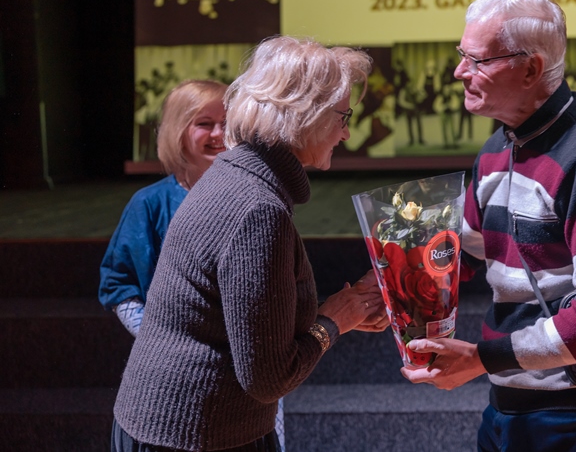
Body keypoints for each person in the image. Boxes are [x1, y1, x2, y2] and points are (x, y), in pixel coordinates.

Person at [401, 0, 576, 452]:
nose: (459, 71)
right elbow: (469, 251)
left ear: (531, 69)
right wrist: (393, 285)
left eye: (477, 60)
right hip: (510, 395)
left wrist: (481, 359)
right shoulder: (498, 147)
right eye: (461, 55)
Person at [110, 36, 388, 452]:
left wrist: (341, 310)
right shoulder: (256, 209)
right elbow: (269, 378)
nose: (347, 133)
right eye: (342, 116)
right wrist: (332, 323)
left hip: (178, 426)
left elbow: (243, 317)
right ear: (306, 115)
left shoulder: (234, 176)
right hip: (194, 436)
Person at [98, 79, 228, 336]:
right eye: (204, 124)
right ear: (177, 131)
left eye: (226, 123)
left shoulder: (252, 196)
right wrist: (158, 341)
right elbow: (120, 284)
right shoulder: (149, 203)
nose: (218, 134)